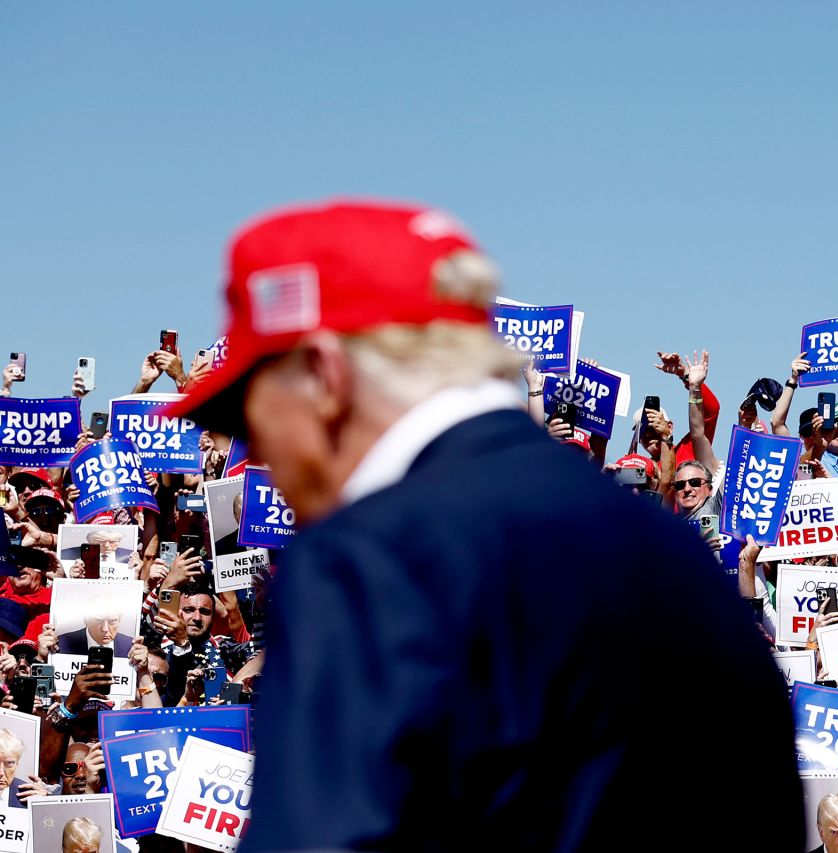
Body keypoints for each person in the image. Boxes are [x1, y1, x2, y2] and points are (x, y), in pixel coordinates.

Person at [168, 200, 803, 850]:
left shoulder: (366, 561)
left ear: (324, 378)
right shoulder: (675, 553)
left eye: (248, 416)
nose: (258, 454)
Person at [56, 594, 134, 656]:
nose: (105, 629)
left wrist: (144, 668)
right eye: (98, 620)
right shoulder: (60, 645)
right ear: (86, 620)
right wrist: (43, 659)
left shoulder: (131, 647)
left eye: (112, 621)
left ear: (119, 620)